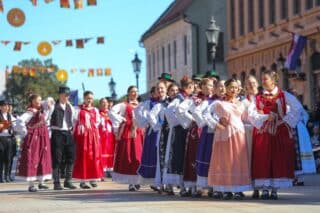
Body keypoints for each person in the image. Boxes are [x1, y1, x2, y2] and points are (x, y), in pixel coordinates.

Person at [248, 70, 302, 200]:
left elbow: (298, 108)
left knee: (278, 160)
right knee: (263, 159)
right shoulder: (258, 97)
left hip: (279, 132)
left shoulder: (284, 95)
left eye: (265, 79)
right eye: (262, 79)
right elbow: (251, 113)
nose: (263, 81)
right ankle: (265, 188)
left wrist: (284, 120)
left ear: (273, 80)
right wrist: (266, 117)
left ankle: (274, 189)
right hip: (263, 132)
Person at [206, 79, 251, 200]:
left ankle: (238, 189)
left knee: (237, 161)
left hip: (238, 134)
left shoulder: (243, 103)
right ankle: (225, 189)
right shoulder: (219, 103)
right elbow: (206, 114)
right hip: (224, 135)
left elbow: (248, 118)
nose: (233, 90)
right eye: (231, 87)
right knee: (225, 160)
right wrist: (216, 124)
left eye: (236, 88)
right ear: (226, 87)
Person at [163, 76, 194, 196]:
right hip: (180, 131)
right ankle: (180, 185)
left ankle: (185, 185)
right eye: (191, 87)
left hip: (185, 130)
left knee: (185, 156)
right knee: (178, 156)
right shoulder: (179, 99)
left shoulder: (187, 98)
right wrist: (182, 122)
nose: (193, 89)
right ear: (187, 87)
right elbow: (169, 112)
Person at [15, 94, 52, 192]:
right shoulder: (30, 112)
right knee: (32, 158)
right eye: (37, 100)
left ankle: (41, 182)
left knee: (42, 158)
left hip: (43, 137)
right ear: (32, 101)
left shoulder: (42, 111)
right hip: (34, 138)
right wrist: (25, 131)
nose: (39, 102)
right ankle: (31, 184)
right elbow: (19, 121)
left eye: (40, 100)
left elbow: (47, 118)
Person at [109, 86, 144, 191]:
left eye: (136, 92)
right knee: (130, 156)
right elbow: (111, 112)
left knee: (139, 156)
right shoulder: (123, 105)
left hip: (140, 133)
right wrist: (122, 119)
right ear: (128, 93)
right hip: (128, 134)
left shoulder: (142, 105)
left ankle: (139, 180)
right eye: (132, 92)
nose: (134, 94)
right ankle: (131, 182)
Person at [72, 91, 104, 189]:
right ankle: (83, 180)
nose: (89, 100)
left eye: (91, 98)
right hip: (82, 136)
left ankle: (93, 178)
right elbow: (73, 121)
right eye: (88, 98)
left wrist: (92, 128)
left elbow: (98, 121)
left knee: (94, 156)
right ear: (84, 98)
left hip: (93, 135)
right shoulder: (77, 109)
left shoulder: (95, 110)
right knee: (83, 156)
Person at [193, 78, 218, 197]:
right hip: (208, 132)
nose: (210, 87)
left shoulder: (216, 99)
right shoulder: (203, 100)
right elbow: (196, 112)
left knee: (215, 157)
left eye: (212, 85)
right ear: (202, 87)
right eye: (208, 85)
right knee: (206, 155)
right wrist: (206, 122)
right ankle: (203, 184)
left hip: (218, 133)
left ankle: (214, 185)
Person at [50, 86, 77, 190]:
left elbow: (74, 118)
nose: (67, 97)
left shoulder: (70, 106)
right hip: (57, 133)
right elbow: (46, 117)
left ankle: (68, 180)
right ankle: (56, 182)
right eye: (65, 95)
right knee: (57, 158)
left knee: (71, 156)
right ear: (60, 95)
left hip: (68, 133)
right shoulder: (53, 106)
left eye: (68, 95)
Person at [135, 87, 159, 185]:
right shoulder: (148, 103)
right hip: (153, 131)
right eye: (156, 92)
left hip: (164, 130)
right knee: (152, 152)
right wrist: (145, 122)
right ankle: (152, 179)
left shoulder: (165, 101)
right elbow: (137, 111)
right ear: (152, 94)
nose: (158, 93)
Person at [241, 75, 259, 198]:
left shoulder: (263, 98)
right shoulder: (243, 101)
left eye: (253, 82)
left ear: (257, 84)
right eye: (249, 83)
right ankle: (248, 186)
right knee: (248, 160)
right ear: (245, 86)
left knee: (260, 159)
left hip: (261, 132)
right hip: (247, 133)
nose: (251, 85)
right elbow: (240, 117)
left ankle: (260, 187)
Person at [99, 97, 116, 178]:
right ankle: (102, 170)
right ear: (100, 104)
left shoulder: (111, 113)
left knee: (111, 151)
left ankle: (110, 169)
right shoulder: (98, 113)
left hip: (110, 136)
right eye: (103, 102)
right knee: (102, 152)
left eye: (106, 102)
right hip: (101, 136)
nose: (105, 104)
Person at [0, 100, 16, 183]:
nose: (6, 107)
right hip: (1, 139)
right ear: (0, 107)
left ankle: (7, 176)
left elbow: (16, 124)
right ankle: (1, 177)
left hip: (9, 139)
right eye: (4, 106)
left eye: (7, 106)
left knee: (8, 158)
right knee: (1, 158)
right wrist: (3, 125)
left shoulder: (10, 116)